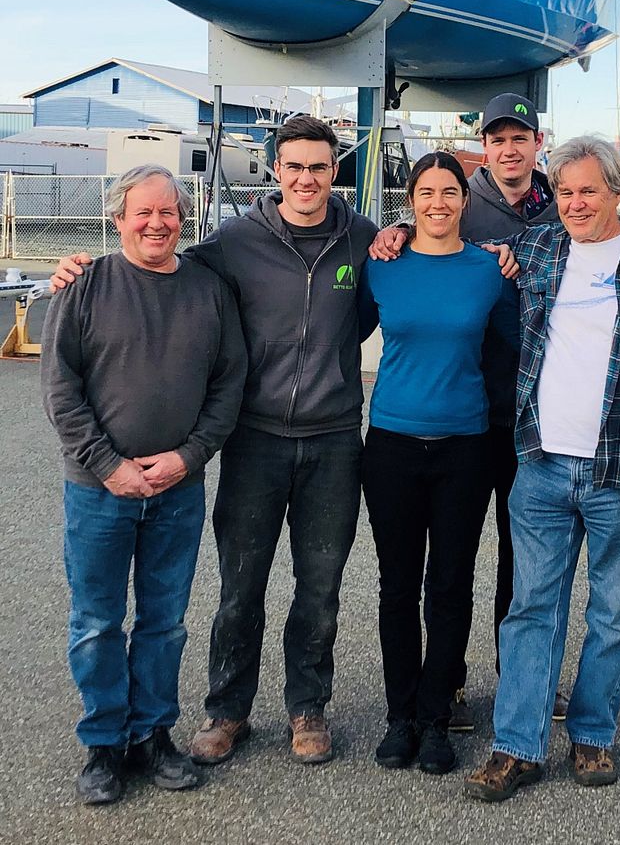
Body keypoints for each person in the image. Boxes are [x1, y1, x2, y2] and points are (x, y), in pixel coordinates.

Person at [51, 115, 378, 767]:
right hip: (254, 440)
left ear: (333, 171)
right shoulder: (234, 240)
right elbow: (158, 265)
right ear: (275, 170)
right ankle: (227, 710)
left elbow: (390, 292)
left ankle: (307, 707)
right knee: (240, 586)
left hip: (334, 440)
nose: (307, 178)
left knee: (319, 587)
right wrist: (76, 271)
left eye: (319, 166)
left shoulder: (365, 240)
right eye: (295, 166)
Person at [464, 136, 620, 803]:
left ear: (616, 193)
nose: (573, 203)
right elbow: (452, 242)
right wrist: (394, 234)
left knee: (612, 615)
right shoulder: (538, 251)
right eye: (564, 191)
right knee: (530, 610)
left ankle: (593, 734)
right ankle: (517, 747)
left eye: (587, 191)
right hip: (539, 464)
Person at [41, 166, 247, 805]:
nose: (157, 223)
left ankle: (153, 735)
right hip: (97, 489)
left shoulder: (208, 290)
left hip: (178, 489)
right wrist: (109, 465)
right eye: (143, 213)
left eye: (169, 212)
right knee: (98, 621)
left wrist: (188, 458)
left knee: (165, 622)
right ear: (118, 217)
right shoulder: (85, 285)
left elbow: (227, 385)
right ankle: (104, 744)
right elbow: (60, 388)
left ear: (184, 218)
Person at [371, 91, 567, 730]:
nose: (509, 150)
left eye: (521, 139)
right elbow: (424, 234)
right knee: (443, 567)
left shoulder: (560, 206)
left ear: (538, 143)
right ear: (484, 147)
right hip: (472, 412)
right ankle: (443, 687)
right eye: (497, 139)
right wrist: (397, 231)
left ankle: (523, 681)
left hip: (538, 411)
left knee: (525, 557)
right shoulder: (461, 202)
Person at [359, 152, 520, 776]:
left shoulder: (489, 270)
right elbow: (328, 329)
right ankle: (400, 716)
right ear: (411, 200)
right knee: (397, 585)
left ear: (463, 199)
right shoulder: (384, 266)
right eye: (425, 193)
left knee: (449, 585)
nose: (437, 203)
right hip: (394, 443)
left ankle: (436, 716)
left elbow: (525, 341)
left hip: (465, 446)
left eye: (449, 192)